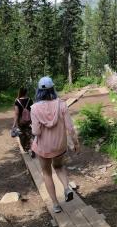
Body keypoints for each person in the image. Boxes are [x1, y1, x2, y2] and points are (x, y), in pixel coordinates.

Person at [30, 76, 80, 213]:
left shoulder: (34, 108)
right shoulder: (61, 104)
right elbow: (70, 128)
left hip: (44, 148)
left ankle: (56, 205)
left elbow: (36, 131)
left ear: (39, 91)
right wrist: (76, 143)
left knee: (46, 173)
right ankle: (66, 188)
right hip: (60, 146)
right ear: (53, 88)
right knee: (59, 167)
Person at [12, 87, 35, 158]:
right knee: (30, 134)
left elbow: (16, 113)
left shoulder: (17, 101)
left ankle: (26, 148)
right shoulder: (30, 100)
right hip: (29, 121)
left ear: (20, 92)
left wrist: (14, 124)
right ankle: (32, 148)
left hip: (20, 122)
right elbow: (32, 111)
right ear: (26, 92)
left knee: (22, 136)